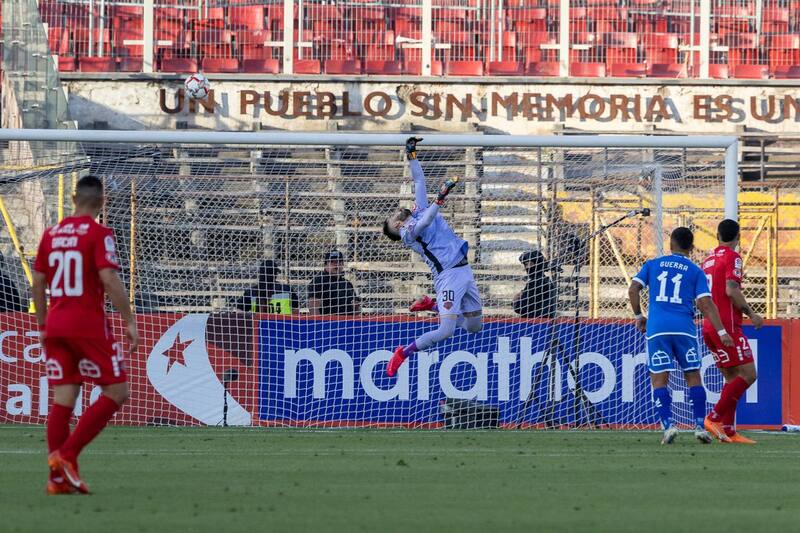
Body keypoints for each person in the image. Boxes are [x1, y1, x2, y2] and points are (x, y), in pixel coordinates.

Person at [31, 175, 139, 495]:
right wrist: (129, 320)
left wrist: (41, 325)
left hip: (55, 325)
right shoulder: (99, 233)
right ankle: (67, 455)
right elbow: (107, 277)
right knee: (117, 392)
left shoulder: (50, 234)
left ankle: (57, 480)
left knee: (62, 399)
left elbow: (37, 282)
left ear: (73, 199)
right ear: (102, 202)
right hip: (87, 324)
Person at [382, 137, 483, 377]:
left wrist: (411, 154)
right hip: (447, 276)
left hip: (463, 270)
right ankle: (402, 353)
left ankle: (432, 305)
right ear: (397, 224)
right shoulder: (408, 234)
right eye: (393, 216)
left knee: (474, 327)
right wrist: (440, 198)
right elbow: (427, 221)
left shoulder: (418, 210)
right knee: (446, 330)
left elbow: (419, 179)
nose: (396, 211)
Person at [628, 227, 733, 445]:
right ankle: (698, 427)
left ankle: (668, 427)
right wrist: (722, 331)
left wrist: (639, 316)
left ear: (671, 244)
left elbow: (633, 289)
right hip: (684, 328)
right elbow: (705, 304)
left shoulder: (653, 264)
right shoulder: (696, 271)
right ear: (692, 248)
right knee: (693, 376)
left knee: (659, 380)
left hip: (657, 329)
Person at [701, 219, 764, 444]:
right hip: (727, 326)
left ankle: (728, 430)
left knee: (731, 378)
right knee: (749, 374)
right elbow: (731, 289)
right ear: (738, 237)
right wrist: (752, 314)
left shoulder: (707, 260)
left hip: (709, 326)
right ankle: (714, 417)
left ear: (717, 236)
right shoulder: (733, 257)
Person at [234, 259, 299, 314]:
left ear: (260, 273)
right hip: (283, 327)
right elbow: (296, 310)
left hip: (259, 327)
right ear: (275, 274)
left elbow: (239, 311)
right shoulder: (286, 289)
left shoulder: (251, 292)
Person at [307, 250, 361, 315]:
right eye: (332, 262)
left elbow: (356, 310)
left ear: (343, 264)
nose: (336, 264)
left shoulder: (347, 284)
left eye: (339, 261)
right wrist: (319, 324)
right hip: (329, 322)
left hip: (347, 322)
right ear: (326, 265)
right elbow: (313, 307)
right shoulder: (319, 281)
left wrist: (356, 307)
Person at [513, 249, 557, 319]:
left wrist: (516, 299)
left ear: (538, 264)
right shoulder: (546, 280)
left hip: (534, 323)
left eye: (530, 264)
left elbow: (520, 308)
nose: (527, 267)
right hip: (544, 321)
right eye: (526, 264)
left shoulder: (535, 282)